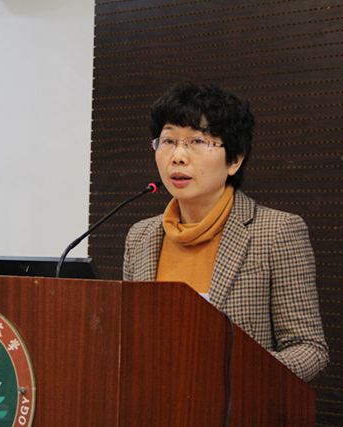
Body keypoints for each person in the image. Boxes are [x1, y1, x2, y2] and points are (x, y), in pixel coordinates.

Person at [122, 82, 329, 382]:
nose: (178, 156)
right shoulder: (140, 237)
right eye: (168, 141)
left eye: (197, 141)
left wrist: (233, 375)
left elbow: (309, 349)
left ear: (234, 159)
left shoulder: (275, 232)